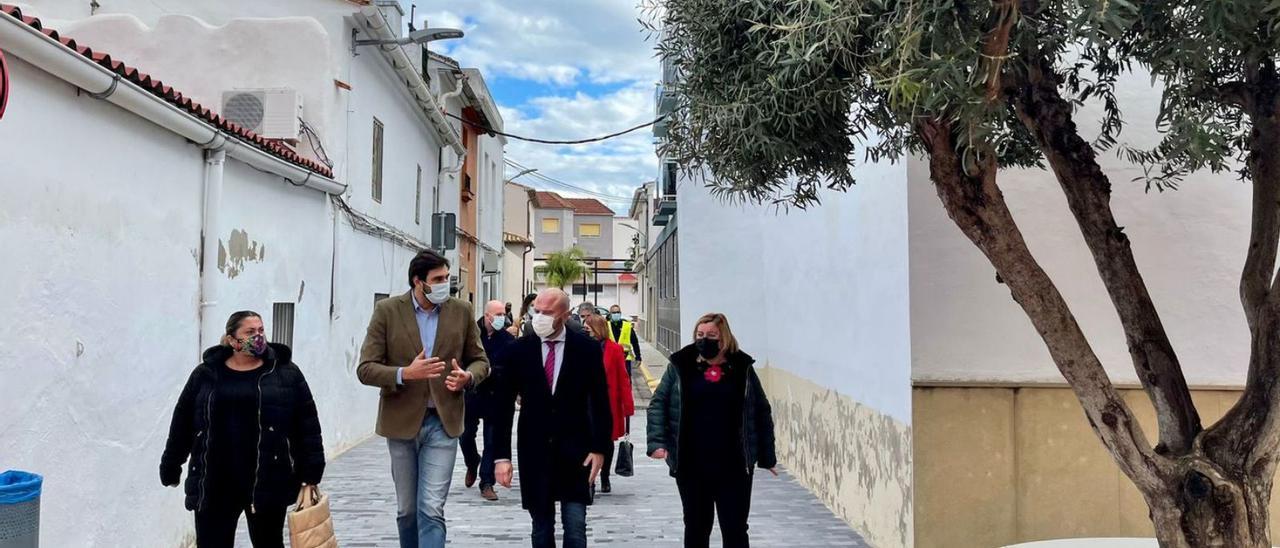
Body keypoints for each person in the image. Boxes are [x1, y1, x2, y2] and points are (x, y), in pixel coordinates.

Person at [357, 249, 490, 548]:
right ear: (418, 282)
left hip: (443, 423)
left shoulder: (462, 311)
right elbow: (365, 369)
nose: (445, 284)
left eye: (447, 277)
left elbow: (481, 360)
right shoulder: (388, 311)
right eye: (438, 279)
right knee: (407, 510)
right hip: (401, 423)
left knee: (431, 508)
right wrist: (405, 373)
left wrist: (467, 377)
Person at [160, 311, 325, 548]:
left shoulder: (284, 372)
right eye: (249, 332)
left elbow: (306, 425)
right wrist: (171, 464)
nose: (258, 337)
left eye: (260, 330)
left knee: (268, 543)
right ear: (231, 339)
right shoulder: (206, 374)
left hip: (267, 479)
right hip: (214, 481)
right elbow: (183, 421)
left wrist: (310, 473)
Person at [493, 288, 612, 548]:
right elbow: (502, 407)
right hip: (535, 449)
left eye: (548, 312)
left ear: (565, 315)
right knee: (541, 528)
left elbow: (600, 402)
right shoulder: (519, 351)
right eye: (537, 310)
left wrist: (600, 448)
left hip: (576, 450)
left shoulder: (586, 350)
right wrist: (501, 457)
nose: (540, 317)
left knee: (575, 528)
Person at [647, 313, 777, 548]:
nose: (704, 339)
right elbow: (659, 404)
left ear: (724, 337)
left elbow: (761, 411)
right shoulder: (680, 365)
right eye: (700, 335)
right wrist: (657, 443)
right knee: (696, 526)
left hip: (734, 465)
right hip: (691, 463)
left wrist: (767, 456)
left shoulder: (742, 368)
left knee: (735, 528)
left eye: (711, 335)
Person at [462, 300, 516, 501]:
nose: (503, 317)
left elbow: (512, 369)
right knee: (465, 435)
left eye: (504, 313)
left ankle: (486, 482)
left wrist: (493, 372)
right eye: (498, 313)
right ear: (487, 316)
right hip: (473, 394)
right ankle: (471, 461)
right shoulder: (471, 336)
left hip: (497, 397)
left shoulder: (508, 341)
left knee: (492, 440)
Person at [583, 315, 634, 494]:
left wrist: (628, 406)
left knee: (607, 441)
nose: (586, 330)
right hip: (585, 402)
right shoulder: (581, 348)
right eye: (584, 327)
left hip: (608, 403)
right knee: (587, 440)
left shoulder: (614, 349)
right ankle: (589, 477)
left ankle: (604, 475)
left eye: (589, 327)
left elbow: (623, 378)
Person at [605, 305, 643, 376]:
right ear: (610, 314)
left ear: (620, 313)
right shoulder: (606, 326)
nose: (616, 314)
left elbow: (635, 342)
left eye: (617, 312)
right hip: (610, 359)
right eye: (614, 312)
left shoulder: (627, 326)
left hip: (625, 359)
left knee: (626, 380)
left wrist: (638, 357)